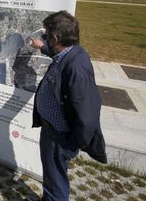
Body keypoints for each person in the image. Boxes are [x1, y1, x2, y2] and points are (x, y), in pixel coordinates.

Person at [31, 11, 107, 201]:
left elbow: (88, 113)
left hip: (60, 136)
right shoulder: (71, 53)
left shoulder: (76, 68)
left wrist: (74, 143)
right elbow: (58, 54)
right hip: (54, 130)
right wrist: (42, 48)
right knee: (52, 172)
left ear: (55, 38)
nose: (45, 39)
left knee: (55, 177)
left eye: (46, 36)